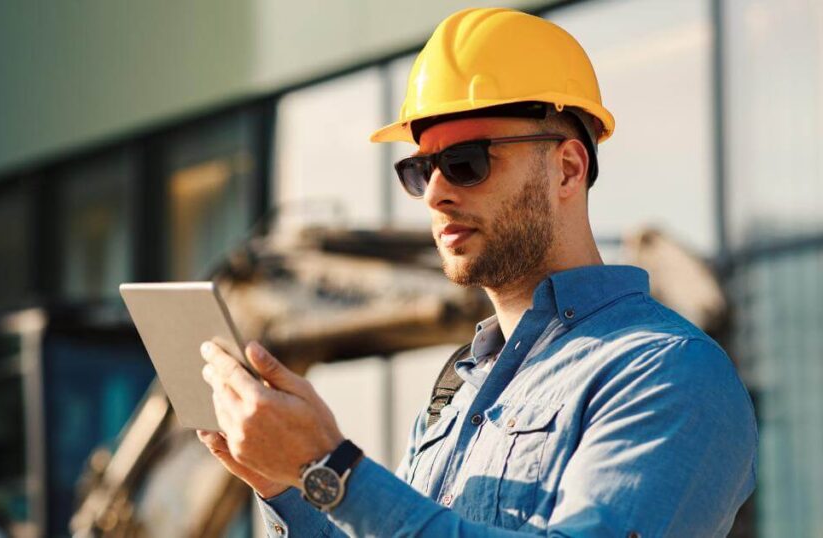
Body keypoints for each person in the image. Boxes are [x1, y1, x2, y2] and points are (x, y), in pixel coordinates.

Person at [196, 7, 757, 537]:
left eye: (467, 162)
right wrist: (288, 484)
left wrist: (332, 470)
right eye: (420, 170)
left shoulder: (664, 371)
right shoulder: (458, 390)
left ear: (566, 169)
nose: (435, 193)